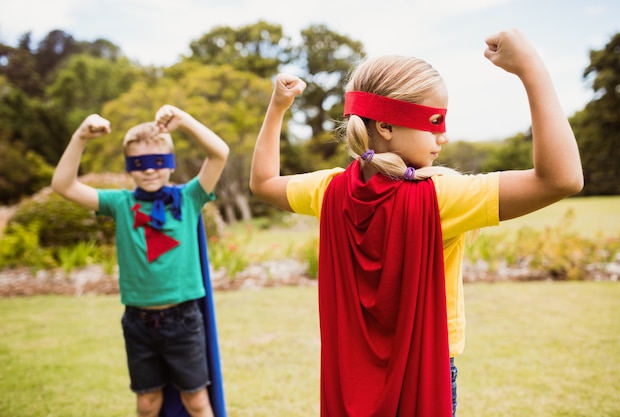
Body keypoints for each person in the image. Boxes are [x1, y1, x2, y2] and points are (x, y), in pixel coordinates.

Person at [249, 28, 583, 416]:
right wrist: (532, 70)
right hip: (427, 370)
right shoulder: (440, 196)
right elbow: (561, 179)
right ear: (386, 127)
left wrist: (277, 108)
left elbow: (263, 183)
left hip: (351, 376)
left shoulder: (331, 191)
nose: (443, 135)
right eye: (434, 121)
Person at [52, 104, 230, 417]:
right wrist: (80, 136)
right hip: (138, 322)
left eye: (158, 161)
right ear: (129, 166)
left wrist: (184, 121)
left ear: (171, 164)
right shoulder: (120, 203)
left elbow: (219, 153)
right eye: (139, 162)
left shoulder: (189, 198)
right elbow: (64, 186)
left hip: (183, 320)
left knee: (197, 402)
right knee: (146, 404)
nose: (149, 169)